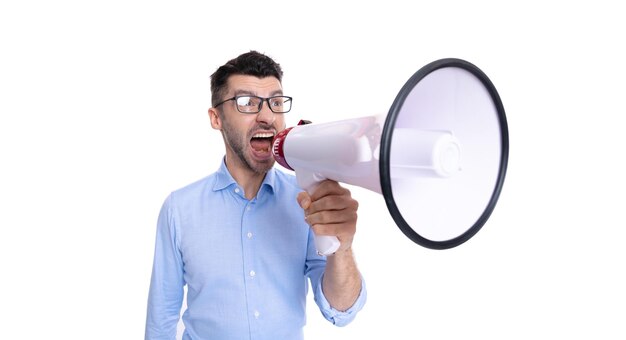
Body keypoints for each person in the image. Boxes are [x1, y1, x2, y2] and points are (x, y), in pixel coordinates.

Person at [145, 51, 366, 340]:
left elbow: (340, 310)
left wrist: (343, 247)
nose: (267, 116)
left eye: (276, 102)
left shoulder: (308, 201)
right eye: (247, 103)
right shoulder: (179, 209)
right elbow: (162, 319)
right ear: (216, 118)